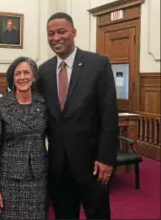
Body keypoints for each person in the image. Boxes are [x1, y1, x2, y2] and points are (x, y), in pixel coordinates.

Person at [37, 12, 119, 219]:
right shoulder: (44, 71)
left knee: (98, 213)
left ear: (74, 32)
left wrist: (106, 158)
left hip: (93, 163)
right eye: (51, 34)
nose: (56, 38)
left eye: (62, 32)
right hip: (58, 165)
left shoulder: (98, 64)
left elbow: (109, 115)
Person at [0, 57, 48, 220]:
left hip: (38, 179)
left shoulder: (42, 104)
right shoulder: (0, 106)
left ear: (34, 77)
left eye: (27, 72)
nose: (23, 77)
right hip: (9, 180)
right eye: (18, 73)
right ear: (12, 79)